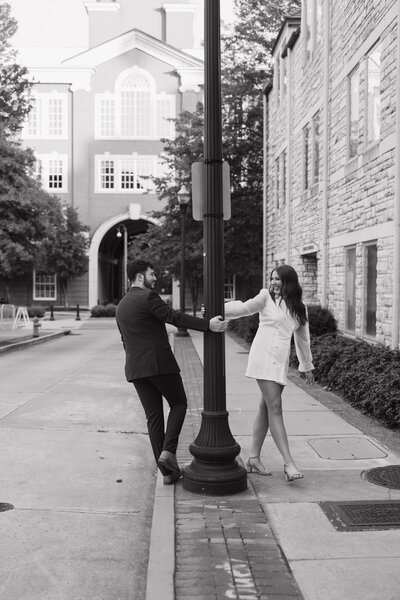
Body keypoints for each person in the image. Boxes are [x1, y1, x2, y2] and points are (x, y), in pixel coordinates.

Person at [116, 259, 227, 485]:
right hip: (159, 364)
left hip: (136, 369)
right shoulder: (148, 297)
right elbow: (174, 317)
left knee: (154, 417)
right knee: (179, 403)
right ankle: (168, 452)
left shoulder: (121, 306)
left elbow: (124, 341)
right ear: (139, 277)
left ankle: (166, 473)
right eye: (152, 274)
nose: (155, 278)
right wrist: (208, 325)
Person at [224, 265, 314, 482]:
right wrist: (217, 308)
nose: (273, 282)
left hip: (279, 361)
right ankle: (289, 463)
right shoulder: (265, 297)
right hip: (262, 356)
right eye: (271, 278)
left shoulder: (299, 308)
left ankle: (253, 458)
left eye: (277, 279)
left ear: (288, 282)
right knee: (275, 407)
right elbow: (244, 308)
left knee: (266, 408)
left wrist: (307, 366)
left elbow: (302, 340)